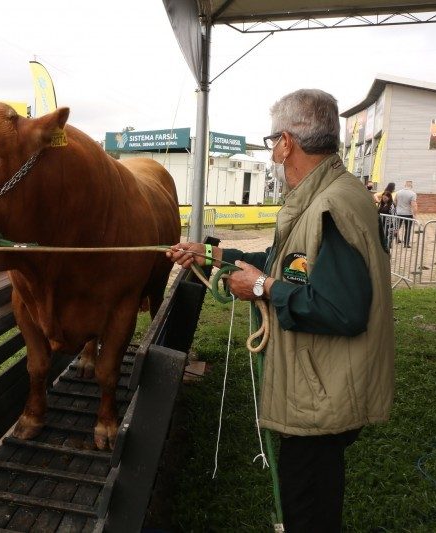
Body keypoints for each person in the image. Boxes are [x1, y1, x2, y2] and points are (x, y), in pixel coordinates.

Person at [167, 89, 394, 532]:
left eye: (273, 139)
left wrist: (261, 288)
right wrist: (210, 255)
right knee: (315, 500)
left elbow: (343, 310)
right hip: (321, 389)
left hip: (320, 397)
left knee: (306, 509)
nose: (272, 149)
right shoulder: (325, 194)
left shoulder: (332, 206)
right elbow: (284, 261)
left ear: (286, 142)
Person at [395, 180, 417, 248]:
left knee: (397, 227)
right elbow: (414, 205)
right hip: (408, 214)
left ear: (404, 185)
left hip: (398, 213)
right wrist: (414, 215)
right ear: (411, 186)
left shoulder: (398, 192)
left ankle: (393, 241)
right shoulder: (413, 194)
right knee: (408, 229)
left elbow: (395, 201)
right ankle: (406, 244)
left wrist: (397, 208)